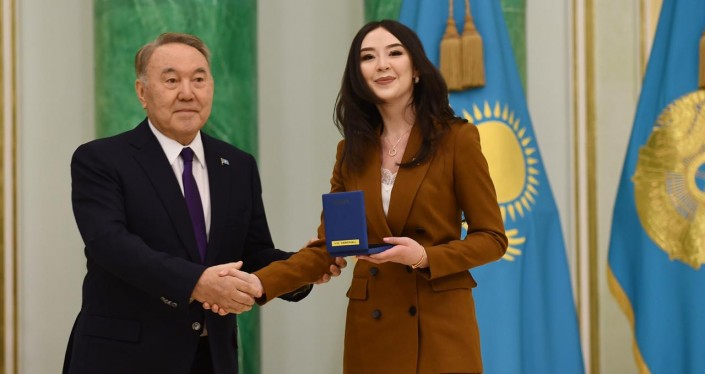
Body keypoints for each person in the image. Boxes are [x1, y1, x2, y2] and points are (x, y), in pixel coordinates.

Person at [213, 19, 508, 373]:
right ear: (359, 76)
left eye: (394, 53)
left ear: (416, 69)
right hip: (372, 329)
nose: (381, 64)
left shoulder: (457, 139)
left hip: (439, 325)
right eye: (368, 57)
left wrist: (424, 256)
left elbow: (492, 238)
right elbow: (330, 247)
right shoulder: (351, 151)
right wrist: (259, 282)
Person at [63, 32, 342, 374]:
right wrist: (197, 282)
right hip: (124, 358)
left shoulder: (237, 165)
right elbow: (112, 246)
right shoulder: (101, 159)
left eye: (198, 79)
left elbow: (252, 253)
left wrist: (303, 267)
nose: (187, 93)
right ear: (142, 92)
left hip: (211, 358)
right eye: (171, 80)